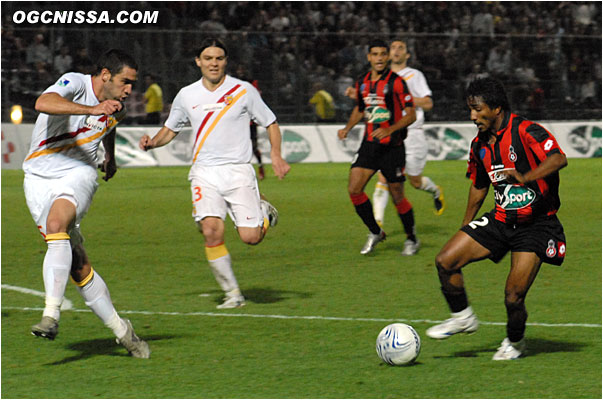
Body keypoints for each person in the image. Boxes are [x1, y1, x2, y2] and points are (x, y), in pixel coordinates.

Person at [139, 38, 290, 309]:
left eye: (218, 58)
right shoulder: (187, 95)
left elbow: (271, 122)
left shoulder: (242, 90)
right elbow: (170, 129)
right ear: (198, 61)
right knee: (210, 230)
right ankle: (233, 293)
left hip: (238, 171)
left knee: (251, 238)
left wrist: (276, 155)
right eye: (208, 58)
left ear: (225, 61)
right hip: (204, 173)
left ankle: (264, 213)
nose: (213, 63)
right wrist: (153, 142)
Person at [426, 77, 568, 360]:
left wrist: (525, 177)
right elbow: (479, 186)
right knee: (445, 261)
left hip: (537, 225)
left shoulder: (527, 130)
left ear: (497, 108)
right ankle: (463, 317)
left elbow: (558, 159)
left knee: (513, 297)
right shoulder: (479, 144)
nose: (472, 116)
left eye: (477, 109)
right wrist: (466, 226)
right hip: (501, 220)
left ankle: (515, 342)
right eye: (470, 109)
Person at [23, 49, 150, 358]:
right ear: (105, 75)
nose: (129, 90)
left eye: (132, 84)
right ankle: (123, 331)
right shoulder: (75, 83)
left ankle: (50, 315)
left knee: (57, 225)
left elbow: (110, 125)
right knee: (78, 267)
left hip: (79, 171)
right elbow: (42, 103)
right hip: (38, 176)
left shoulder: (116, 107)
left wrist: (110, 157)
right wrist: (91, 110)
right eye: (125, 81)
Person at [337, 39, 417, 256]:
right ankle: (375, 232)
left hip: (393, 146)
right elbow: (360, 109)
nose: (380, 58)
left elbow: (412, 115)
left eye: (383, 54)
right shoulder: (362, 82)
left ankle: (411, 238)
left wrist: (390, 129)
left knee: (397, 196)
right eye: (375, 54)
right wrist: (347, 128)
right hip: (370, 144)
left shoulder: (398, 82)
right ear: (368, 57)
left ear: (388, 57)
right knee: (354, 189)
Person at [371, 39, 445, 234]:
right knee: (383, 177)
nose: (396, 51)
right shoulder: (381, 77)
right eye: (393, 48)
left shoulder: (414, 75)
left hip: (413, 135)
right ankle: (376, 225)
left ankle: (435, 191)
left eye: (400, 48)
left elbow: (428, 103)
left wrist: (404, 97)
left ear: (407, 55)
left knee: (415, 181)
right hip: (390, 133)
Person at [235, 64, 265, 180]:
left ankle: (260, 166)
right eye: (239, 69)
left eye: (242, 69)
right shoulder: (231, 83)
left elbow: (256, 97)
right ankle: (240, 171)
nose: (240, 72)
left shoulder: (251, 83)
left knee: (253, 146)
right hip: (237, 121)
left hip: (250, 122)